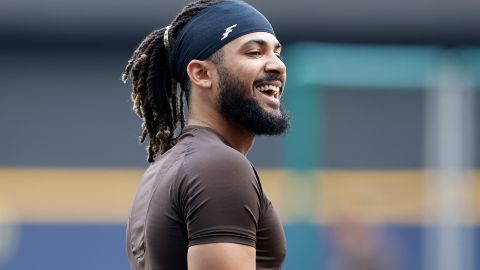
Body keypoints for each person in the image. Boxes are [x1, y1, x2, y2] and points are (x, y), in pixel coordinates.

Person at [121, 0, 290, 269]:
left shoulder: (168, 167)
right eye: (255, 53)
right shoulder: (219, 166)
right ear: (201, 73)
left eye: (277, 53)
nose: (277, 66)